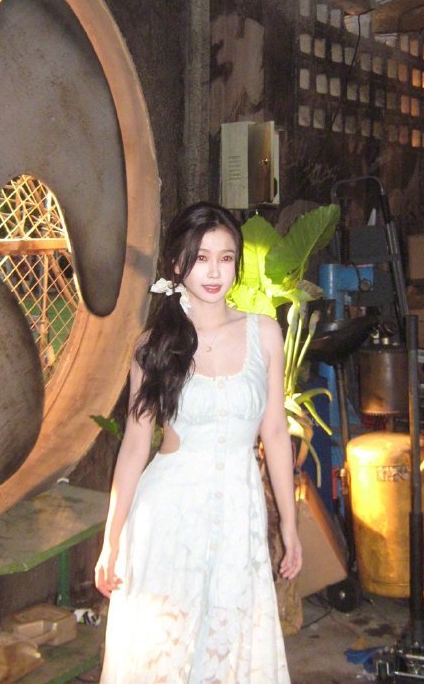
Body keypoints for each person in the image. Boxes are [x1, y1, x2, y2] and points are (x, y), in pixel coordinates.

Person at [95, 201, 302, 683]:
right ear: (176, 265)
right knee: (163, 650)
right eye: (200, 257)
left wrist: (289, 525)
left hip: (240, 516)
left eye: (225, 258)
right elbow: (135, 446)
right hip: (168, 517)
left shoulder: (264, 333)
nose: (213, 272)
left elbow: (274, 433)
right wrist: (111, 539)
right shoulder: (154, 346)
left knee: (228, 648)